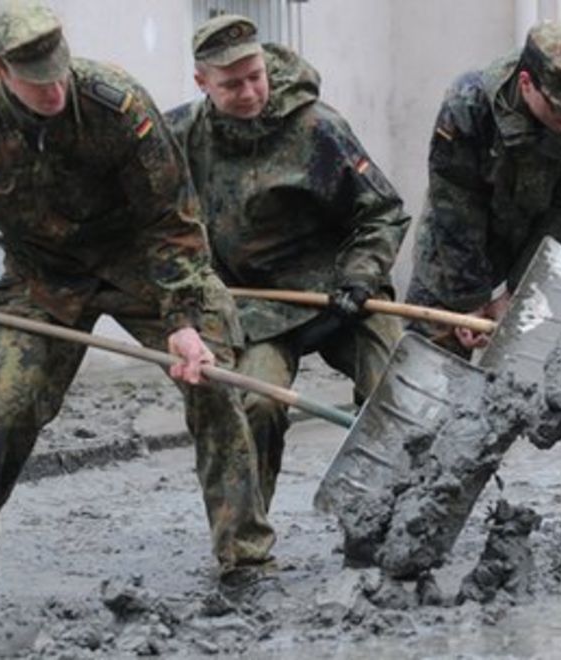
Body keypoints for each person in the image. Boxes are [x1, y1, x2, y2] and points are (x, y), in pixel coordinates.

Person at [0, 1, 275, 577]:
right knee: (1, 411)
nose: (54, 91)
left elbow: (172, 220)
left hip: (142, 262)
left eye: (57, 72)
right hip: (43, 276)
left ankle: (245, 558)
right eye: (35, 82)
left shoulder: (114, 103)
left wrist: (185, 323)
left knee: (213, 382)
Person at [166, 15, 410, 511]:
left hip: (342, 294)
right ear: (201, 83)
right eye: (231, 84)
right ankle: (249, 540)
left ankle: (388, 511)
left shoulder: (316, 128)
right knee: (254, 403)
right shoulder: (183, 137)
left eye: (255, 76)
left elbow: (383, 213)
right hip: (259, 308)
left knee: (395, 392)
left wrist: (361, 277)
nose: (250, 92)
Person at [406, 20, 561, 535]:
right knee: (433, 342)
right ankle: (405, 495)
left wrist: (526, 294)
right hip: (470, 226)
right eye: (557, 108)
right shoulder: (469, 105)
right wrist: (472, 298)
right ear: (527, 83)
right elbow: (453, 203)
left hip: (559, 224)